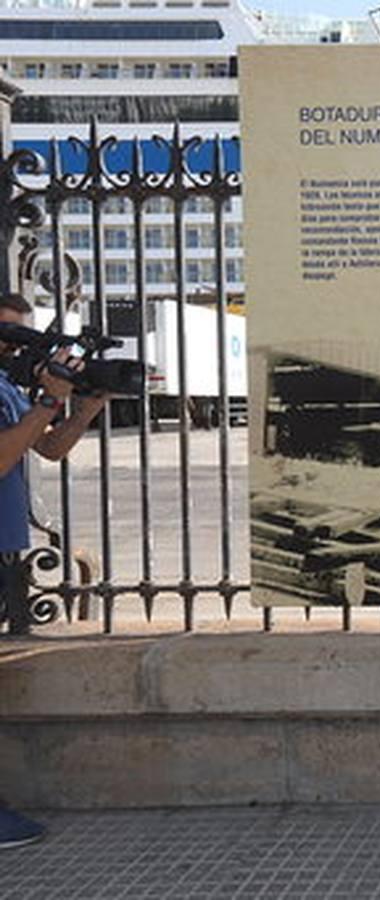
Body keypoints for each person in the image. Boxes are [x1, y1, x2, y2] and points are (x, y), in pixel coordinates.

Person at [0, 293, 109, 849]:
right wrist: (48, 398)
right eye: (8, 334)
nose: (15, 345)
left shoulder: (6, 389)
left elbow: (48, 449)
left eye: (23, 334)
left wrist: (85, 405)